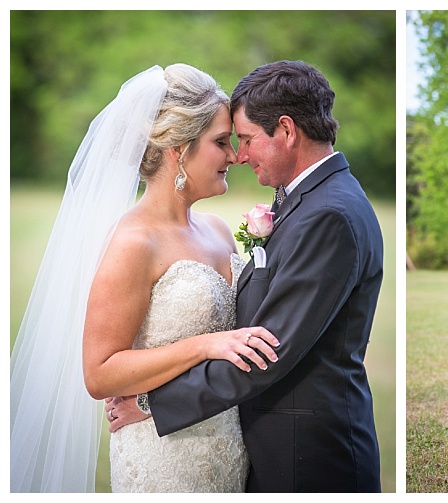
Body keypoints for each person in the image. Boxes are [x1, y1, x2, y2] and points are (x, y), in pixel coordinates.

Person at [112, 60, 386, 492]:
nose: (239, 155)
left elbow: (268, 350)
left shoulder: (328, 214)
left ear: (287, 130)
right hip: (261, 449)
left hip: (309, 458)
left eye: (245, 139)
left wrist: (152, 403)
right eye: (228, 141)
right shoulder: (306, 200)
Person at [10, 64, 280, 492]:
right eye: (221, 142)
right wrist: (206, 344)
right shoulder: (133, 242)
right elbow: (100, 373)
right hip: (164, 458)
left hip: (230, 448)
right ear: (178, 148)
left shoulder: (218, 230)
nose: (234, 156)